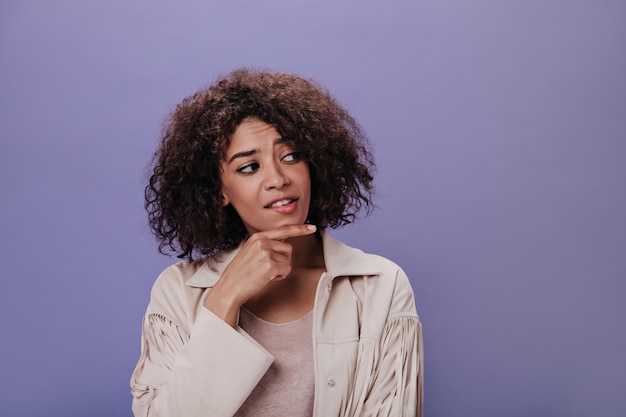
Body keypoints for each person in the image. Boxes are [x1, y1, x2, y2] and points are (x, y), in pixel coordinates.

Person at [130, 68, 424, 417]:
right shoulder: (178, 293)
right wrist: (224, 298)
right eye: (249, 167)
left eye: (290, 156)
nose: (278, 179)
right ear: (219, 191)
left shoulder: (381, 286)